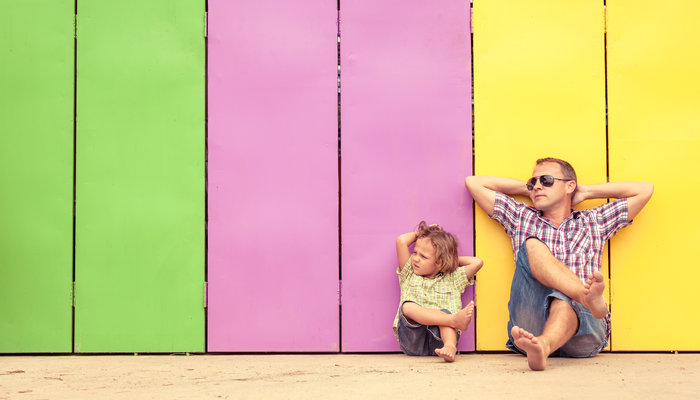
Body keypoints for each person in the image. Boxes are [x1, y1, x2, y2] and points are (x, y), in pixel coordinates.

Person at [465, 157, 653, 371]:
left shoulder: (594, 221)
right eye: (532, 182)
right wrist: (527, 191)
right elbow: (474, 183)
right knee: (533, 245)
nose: (537, 186)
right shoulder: (521, 218)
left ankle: (550, 336)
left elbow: (645, 189)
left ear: (569, 186)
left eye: (546, 180)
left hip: (585, 329)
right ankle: (580, 300)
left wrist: (587, 192)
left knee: (563, 298)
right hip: (532, 324)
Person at [394, 221, 484, 362]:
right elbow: (401, 241)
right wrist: (422, 233)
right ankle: (453, 320)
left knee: (443, 313)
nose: (415, 258)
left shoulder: (452, 279)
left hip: (441, 340)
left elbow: (477, 262)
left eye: (423, 257)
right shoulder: (409, 273)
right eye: (415, 252)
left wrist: (448, 261)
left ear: (439, 263)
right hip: (413, 340)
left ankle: (450, 346)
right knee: (407, 307)